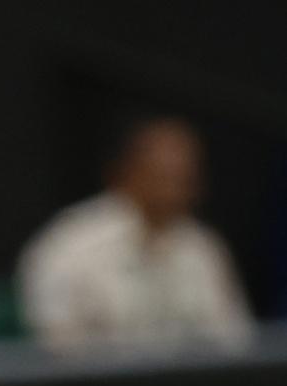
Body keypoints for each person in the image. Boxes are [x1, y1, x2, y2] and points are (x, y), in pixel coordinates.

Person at [18, 117, 253, 352]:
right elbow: (56, 344)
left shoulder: (203, 247)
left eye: (185, 178)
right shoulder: (71, 242)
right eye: (163, 175)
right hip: (102, 374)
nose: (175, 190)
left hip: (190, 375)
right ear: (126, 171)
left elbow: (234, 342)